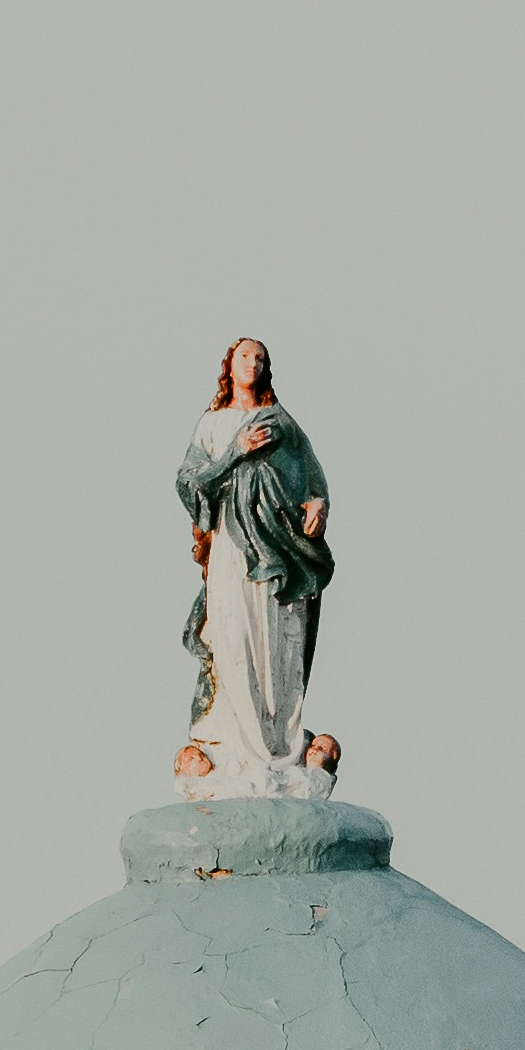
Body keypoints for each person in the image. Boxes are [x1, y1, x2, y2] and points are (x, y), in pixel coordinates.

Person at [172, 335, 339, 791]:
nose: (253, 364)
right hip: (233, 542)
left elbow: (311, 473)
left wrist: (318, 504)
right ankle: (236, 743)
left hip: (279, 544)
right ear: (229, 365)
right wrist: (236, 451)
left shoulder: (280, 422)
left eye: (261, 358)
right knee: (234, 633)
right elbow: (190, 483)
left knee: (278, 638)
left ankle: (279, 742)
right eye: (245, 356)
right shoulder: (213, 424)